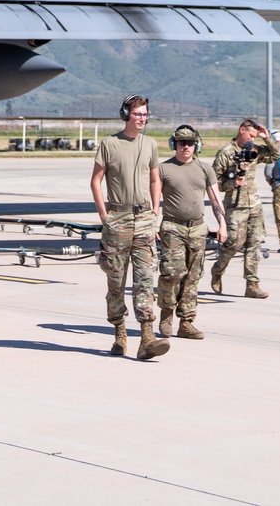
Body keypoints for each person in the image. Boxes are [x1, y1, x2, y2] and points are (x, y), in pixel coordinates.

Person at [90, 94, 170, 360]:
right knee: (116, 279)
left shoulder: (150, 144)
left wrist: (155, 210)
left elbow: (155, 179)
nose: (142, 119)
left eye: (145, 114)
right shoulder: (109, 144)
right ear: (126, 115)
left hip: (144, 219)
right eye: (137, 114)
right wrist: (105, 215)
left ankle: (147, 336)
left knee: (145, 278)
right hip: (118, 219)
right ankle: (119, 332)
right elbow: (96, 181)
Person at [157, 124, 228, 340]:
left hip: (197, 228)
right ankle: (167, 314)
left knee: (193, 276)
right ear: (174, 144)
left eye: (190, 143)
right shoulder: (163, 169)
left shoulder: (205, 169)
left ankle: (186, 322)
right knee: (172, 273)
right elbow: (152, 200)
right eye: (181, 142)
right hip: (172, 227)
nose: (185, 147)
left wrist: (222, 224)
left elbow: (215, 198)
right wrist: (152, 224)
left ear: (196, 145)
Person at [210, 118, 280, 298]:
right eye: (250, 135)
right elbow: (214, 182)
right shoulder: (226, 153)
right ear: (241, 130)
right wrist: (232, 183)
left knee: (255, 243)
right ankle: (218, 269)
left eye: (254, 137)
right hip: (235, 205)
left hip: (254, 204)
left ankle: (252, 285)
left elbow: (276, 155)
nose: (252, 140)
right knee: (234, 242)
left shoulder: (254, 150)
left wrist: (266, 138)